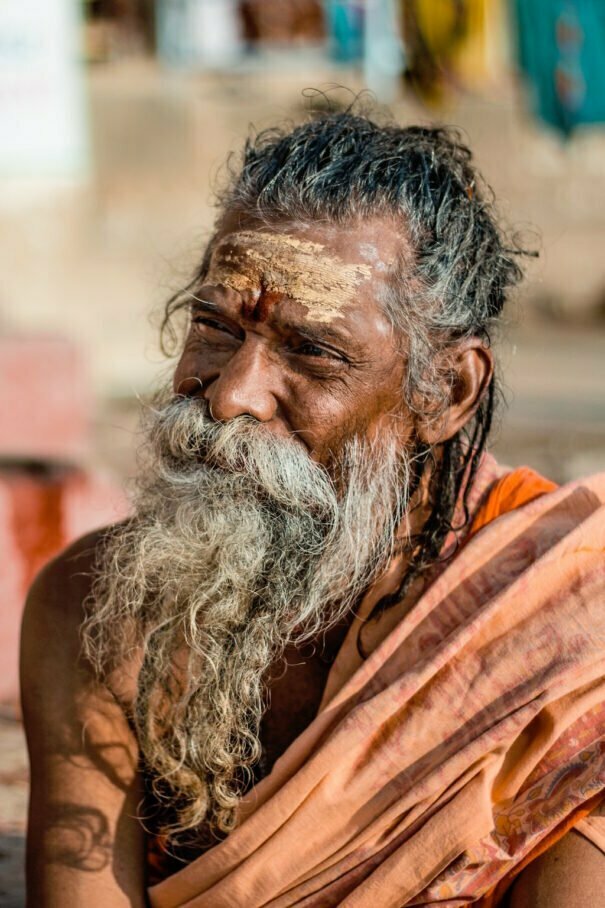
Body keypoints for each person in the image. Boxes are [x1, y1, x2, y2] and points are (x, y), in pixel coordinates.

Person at [21, 111, 605, 907]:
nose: (231, 396)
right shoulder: (99, 610)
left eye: (312, 351)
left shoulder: (570, 633)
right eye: (215, 327)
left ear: (445, 392)